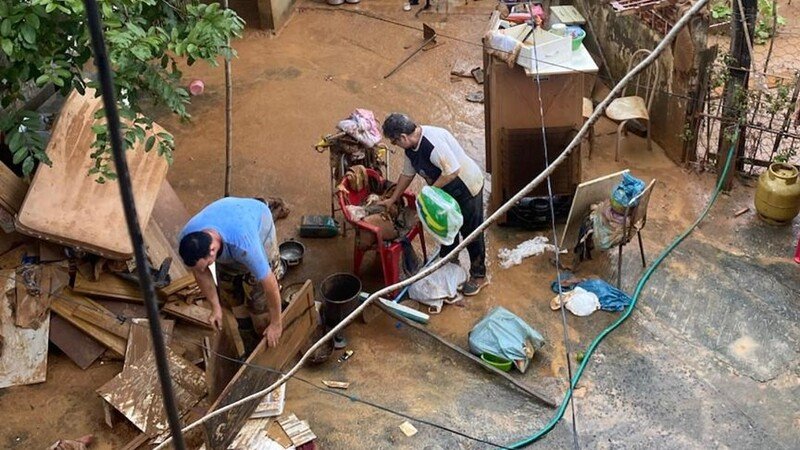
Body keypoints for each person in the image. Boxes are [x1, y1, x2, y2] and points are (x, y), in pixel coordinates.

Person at [380, 113, 488, 295]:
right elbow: (407, 174)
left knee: (471, 232)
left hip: (467, 185)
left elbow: (452, 171)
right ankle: (450, 260)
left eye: (394, 141)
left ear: (403, 137)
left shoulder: (432, 143)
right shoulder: (410, 149)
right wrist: (392, 199)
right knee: (446, 225)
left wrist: (429, 192)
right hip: (445, 191)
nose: (394, 145)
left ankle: (479, 276)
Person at [178, 197, 285, 350]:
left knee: (259, 304)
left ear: (212, 250)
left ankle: (264, 333)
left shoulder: (245, 245)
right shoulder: (188, 240)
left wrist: (276, 324)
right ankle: (247, 337)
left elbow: (270, 285)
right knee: (232, 301)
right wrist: (215, 307)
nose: (205, 269)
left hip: (258, 222)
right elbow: (200, 273)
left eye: (208, 265)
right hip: (229, 220)